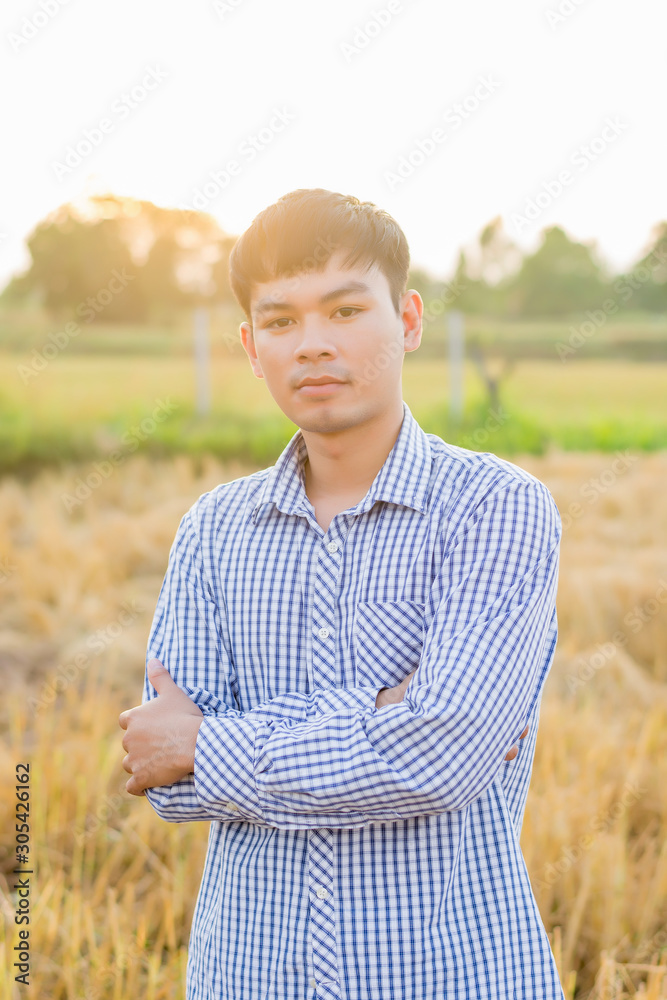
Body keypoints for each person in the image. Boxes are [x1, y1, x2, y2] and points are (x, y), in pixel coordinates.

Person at [119, 188, 564, 1000]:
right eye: (282, 321)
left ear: (409, 320)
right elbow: (163, 775)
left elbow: (440, 754)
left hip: (448, 978)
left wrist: (214, 742)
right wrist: (386, 711)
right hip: (249, 977)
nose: (313, 344)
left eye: (345, 310)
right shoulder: (213, 529)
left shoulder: (495, 508)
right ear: (252, 348)